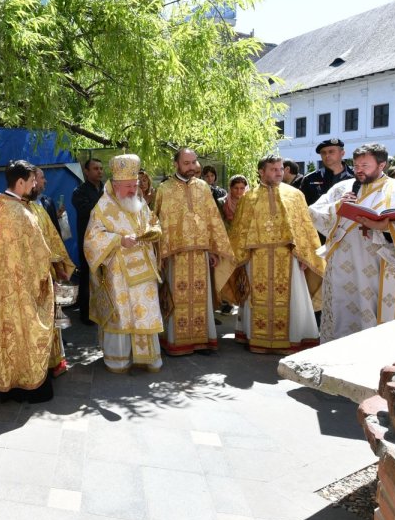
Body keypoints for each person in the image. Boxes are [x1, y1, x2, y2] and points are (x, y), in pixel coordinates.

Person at [309, 143, 395, 342]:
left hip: (379, 262)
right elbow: (314, 213)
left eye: (365, 165)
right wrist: (338, 207)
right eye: (356, 165)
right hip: (342, 265)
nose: (358, 170)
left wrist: (384, 227)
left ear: (382, 165)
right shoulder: (342, 188)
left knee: (373, 315)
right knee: (342, 314)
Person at [0, 160, 58, 402]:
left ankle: (4, 381)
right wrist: (46, 279)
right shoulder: (23, 214)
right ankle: (26, 383)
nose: (35, 185)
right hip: (21, 290)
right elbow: (40, 256)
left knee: (4, 333)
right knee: (23, 335)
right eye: (33, 181)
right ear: (20, 182)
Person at [225, 155, 324, 354]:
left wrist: (306, 255)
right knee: (255, 297)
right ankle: (256, 339)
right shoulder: (248, 198)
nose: (279, 172)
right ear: (261, 172)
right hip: (256, 258)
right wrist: (240, 259)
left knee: (292, 299)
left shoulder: (295, 195)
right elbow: (239, 231)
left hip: (289, 257)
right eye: (273, 169)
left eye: (280, 169)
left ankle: (293, 339)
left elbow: (304, 228)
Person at [84, 154, 164, 373]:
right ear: (116, 185)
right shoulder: (103, 207)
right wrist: (119, 240)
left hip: (144, 270)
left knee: (144, 312)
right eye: (128, 186)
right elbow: (91, 239)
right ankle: (119, 359)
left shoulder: (138, 202)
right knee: (123, 314)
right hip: (118, 271)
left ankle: (147, 358)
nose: (133, 190)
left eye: (135, 184)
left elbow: (152, 221)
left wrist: (154, 231)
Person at [154, 148, 236, 354]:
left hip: (200, 254)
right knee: (177, 297)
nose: (192, 167)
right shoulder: (164, 189)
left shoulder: (203, 188)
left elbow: (213, 221)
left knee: (201, 297)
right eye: (187, 163)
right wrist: (160, 254)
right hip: (175, 255)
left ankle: (203, 340)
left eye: (194, 162)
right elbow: (156, 222)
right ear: (176, 164)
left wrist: (214, 251)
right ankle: (176, 342)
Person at [28, 169, 76, 377]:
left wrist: (59, 264)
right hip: (34, 269)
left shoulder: (45, 202)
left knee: (55, 309)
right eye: (40, 178)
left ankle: (57, 349)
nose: (44, 181)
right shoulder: (22, 208)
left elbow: (53, 232)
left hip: (50, 264)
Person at [71, 158, 105, 324]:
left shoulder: (107, 189)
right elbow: (88, 210)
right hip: (88, 241)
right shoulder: (79, 192)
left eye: (101, 168)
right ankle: (87, 314)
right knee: (88, 277)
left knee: (106, 276)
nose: (99, 171)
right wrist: (106, 204)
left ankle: (105, 310)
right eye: (95, 168)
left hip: (107, 240)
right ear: (86, 171)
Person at [299, 138, 354, 207]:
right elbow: (301, 205)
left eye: (331, 152)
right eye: (323, 153)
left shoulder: (355, 176)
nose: (327, 155)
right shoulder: (310, 178)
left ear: (342, 153)